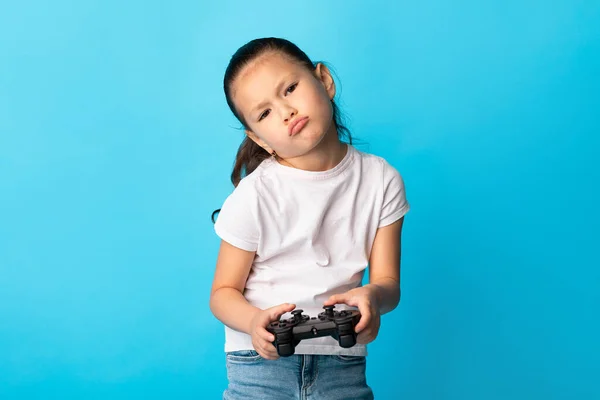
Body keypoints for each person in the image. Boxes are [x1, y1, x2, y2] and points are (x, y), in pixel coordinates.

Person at [209, 37, 409, 399]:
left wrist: (372, 299)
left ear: (324, 81)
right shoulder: (254, 195)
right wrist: (255, 322)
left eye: (289, 89)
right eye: (265, 113)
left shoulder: (381, 181)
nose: (285, 111)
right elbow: (222, 294)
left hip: (341, 359)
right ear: (260, 139)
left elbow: (388, 284)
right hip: (260, 362)